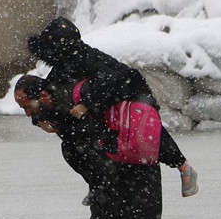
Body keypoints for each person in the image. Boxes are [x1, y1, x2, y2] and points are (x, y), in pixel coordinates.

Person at [27, 17, 198, 197]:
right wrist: (39, 120)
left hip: (131, 94)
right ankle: (98, 184)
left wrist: (86, 104)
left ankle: (183, 166)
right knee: (76, 146)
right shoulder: (62, 67)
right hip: (106, 104)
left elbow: (107, 80)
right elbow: (45, 95)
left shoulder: (86, 57)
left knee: (147, 135)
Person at [14, 74, 161, 219]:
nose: (28, 114)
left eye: (28, 107)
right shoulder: (50, 108)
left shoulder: (81, 95)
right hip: (104, 180)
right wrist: (38, 119)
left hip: (135, 167)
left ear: (44, 96)